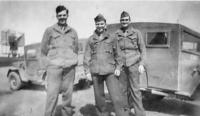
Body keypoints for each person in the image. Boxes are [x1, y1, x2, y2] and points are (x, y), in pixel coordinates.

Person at [83, 14, 130, 116]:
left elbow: (119, 54)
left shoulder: (112, 38)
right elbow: (86, 56)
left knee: (116, 97)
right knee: (99, 99)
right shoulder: (91, 39)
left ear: (105, 24)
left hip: (110, 71)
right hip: (96, 71)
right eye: (97, 24)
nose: (99, 26)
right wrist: (87, 72)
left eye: (101, 24)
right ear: (95, 25)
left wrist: (118, 67)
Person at [40, 5, 78, 116]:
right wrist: (48, 66)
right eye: (60, 15)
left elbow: (75, 49)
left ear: (67, 15)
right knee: (52, 95)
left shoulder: (73, 32)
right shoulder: (49, 31)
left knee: (68, 95)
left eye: (64, 15)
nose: (62, 17)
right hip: (54, 69)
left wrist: (73, 60)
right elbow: (43, 51)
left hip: (69, 68)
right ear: (56, 16)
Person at [115, 11, 146, 116]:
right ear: (120, 21)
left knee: (135, 91)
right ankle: (124, 113)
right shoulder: (116, 34)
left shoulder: (136, 33)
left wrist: (142, 64)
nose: (124, 22)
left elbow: (143, 50)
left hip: (134, 64)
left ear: (130, 20)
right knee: (122, 91)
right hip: (122, 66)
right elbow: (116, 52)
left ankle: (140, 114)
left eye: (126, 20)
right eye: (122, 20)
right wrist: (117, 67)